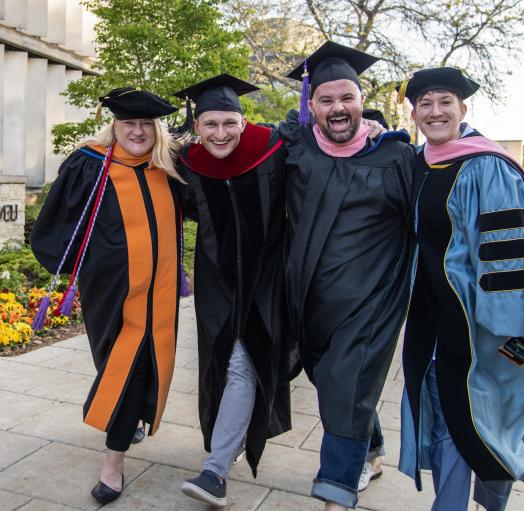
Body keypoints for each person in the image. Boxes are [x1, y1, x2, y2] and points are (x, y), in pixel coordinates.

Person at [395, 67, 524, 511]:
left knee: (497, 427)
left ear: (463, 108)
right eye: (425, 104)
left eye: (445, 102)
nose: (435, 111)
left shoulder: (488, 167)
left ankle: (493, 504)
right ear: (415, 113)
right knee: (449, 426)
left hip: (495, 333)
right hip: (436, 328)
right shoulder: (418, 165)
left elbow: (523, 250)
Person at [31, 87, 186, 505]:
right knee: (114, 362)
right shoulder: (90, 164)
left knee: (135, 366)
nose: (137, 131)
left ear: (157, 129)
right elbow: (55, 220)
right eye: (128, 123)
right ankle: (127, 417)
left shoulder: (169, 167)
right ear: (114, 125)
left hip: (159, 292)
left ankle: (113, 462)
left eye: (145, 124)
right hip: (109, 290)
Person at [280, 41, 415, 510]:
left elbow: (437, 215)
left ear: (362, 101)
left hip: (369, 306)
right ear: (310, 105)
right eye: (326, 99)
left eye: (347, 98)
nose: (338, 108)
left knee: (345, 387)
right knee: (337, 385)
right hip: (310, 304)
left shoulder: (395, 158)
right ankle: (372, 453)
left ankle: (336, 492)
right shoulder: (295, 148)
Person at [171, 74, 294, 507]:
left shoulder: (273, 150)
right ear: (197, 126)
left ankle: (215, 470)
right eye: (210, 125)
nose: (220, 134)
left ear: (243, 122)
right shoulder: (189, 164)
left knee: (246, 363)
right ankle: (230, 440)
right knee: (222, 363)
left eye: (228, 123)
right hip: (217, 284)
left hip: (266, 282)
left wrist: (372, 126)